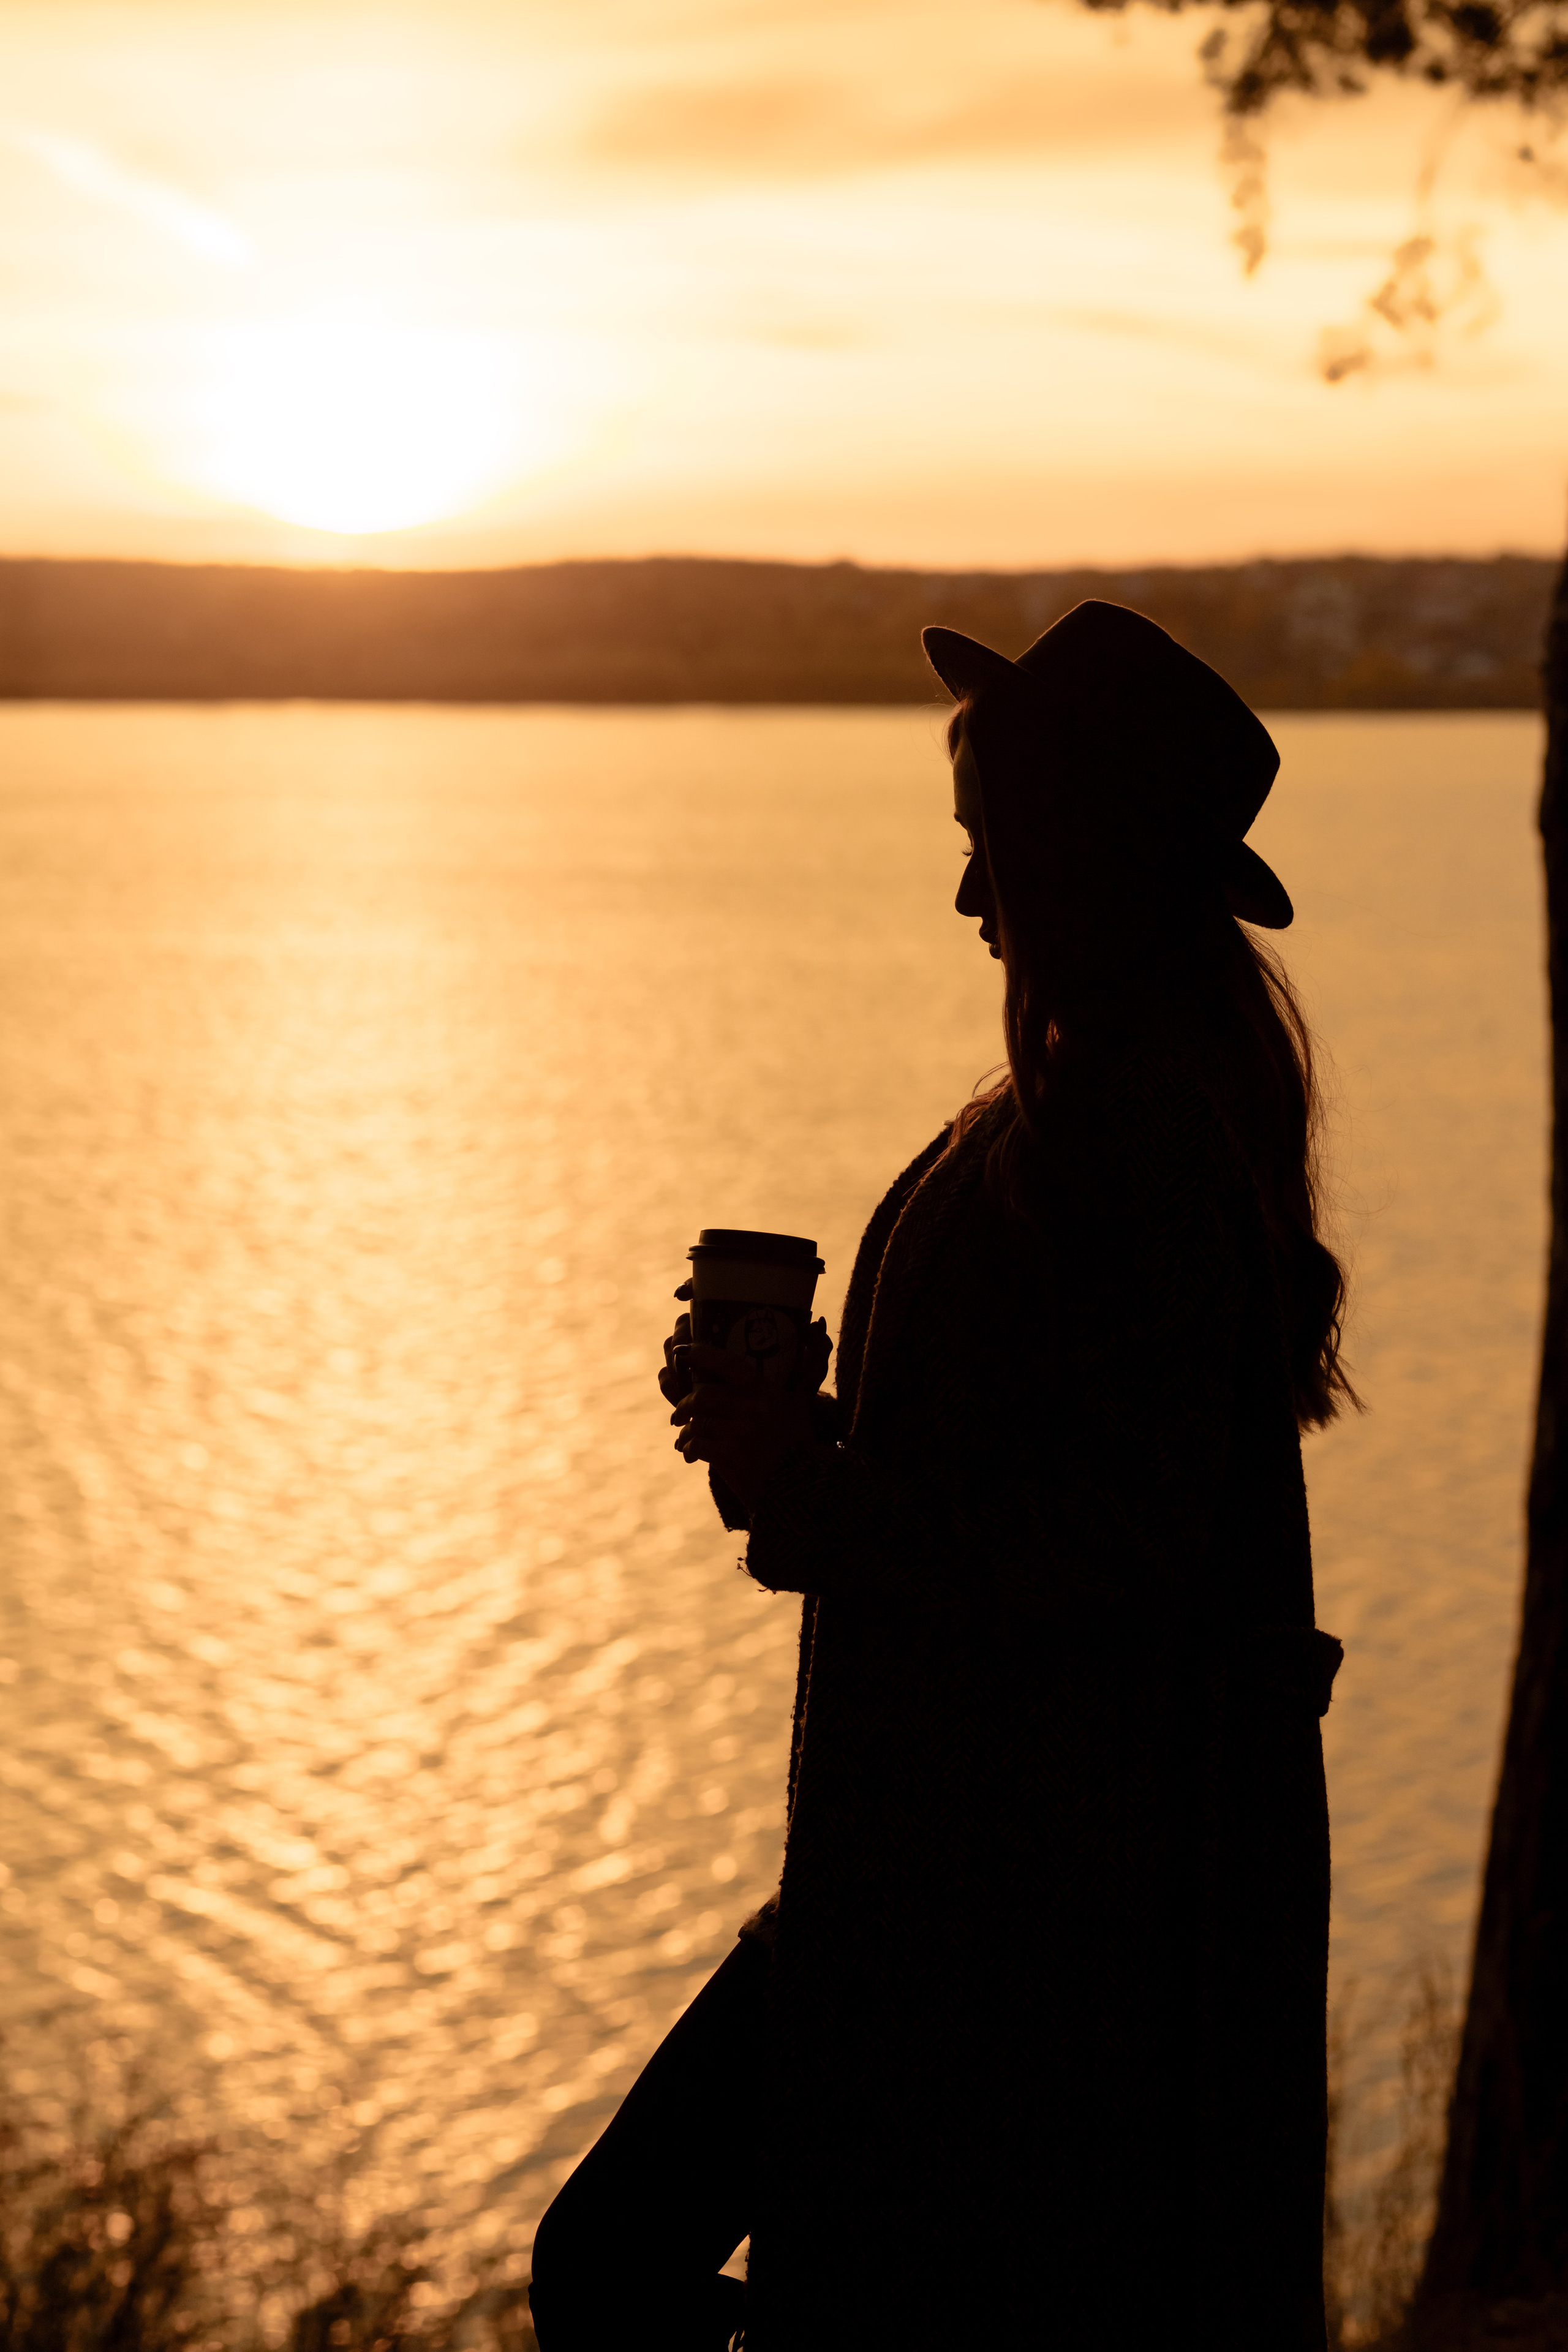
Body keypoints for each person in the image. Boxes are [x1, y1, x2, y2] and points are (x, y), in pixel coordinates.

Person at [529, 600, 1351, 2352]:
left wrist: (814, 1491)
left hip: (998, 1925)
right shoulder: (1076, 1112)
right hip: (928, 1887)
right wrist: (792, 1458)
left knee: (617, 2263)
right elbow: (1026, 1497)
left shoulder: (1132, 1145)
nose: (971, 899)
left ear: (1080, 857)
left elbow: (1108, 1569)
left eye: (994, 853)